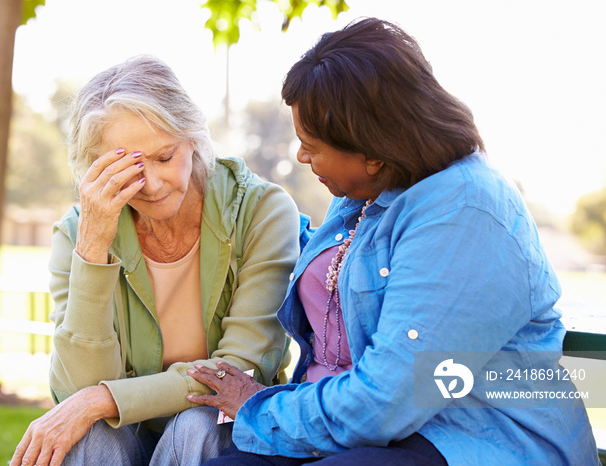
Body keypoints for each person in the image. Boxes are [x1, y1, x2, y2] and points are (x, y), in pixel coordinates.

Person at [188, 17, 600, 465]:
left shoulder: (465, 211)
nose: (301, 156)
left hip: (476, 438)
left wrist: (263, 407)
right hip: (373, 434)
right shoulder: (366, 197)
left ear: (372, 151)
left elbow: (387, 401)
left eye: (313, 144)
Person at [10, 55, 301, 466]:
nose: (151, 184)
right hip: (119, 438)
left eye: (164, 157)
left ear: (193, 138)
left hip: (217, 436)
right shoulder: (77, 232)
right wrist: (93, 248)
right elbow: (76, 389)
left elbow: (238, 373)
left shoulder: (261, 210)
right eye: (124, 168)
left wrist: (101, 399)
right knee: (91, 436)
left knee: (196, 426)